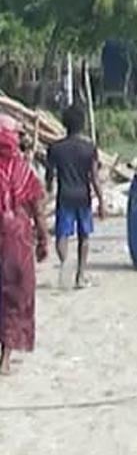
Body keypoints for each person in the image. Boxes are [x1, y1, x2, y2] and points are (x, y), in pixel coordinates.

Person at [0, 115, 48, 375]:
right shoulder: (23, 171)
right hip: (16, 240)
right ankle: (5, 357)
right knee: (15, 295)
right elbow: (38, 209)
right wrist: (43, 240)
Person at [45, 106, 103, 289]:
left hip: (65, 196)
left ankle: (64, 263)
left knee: (62, 234)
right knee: (84, 236)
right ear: (83, 124)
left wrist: (48, 190)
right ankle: (80, 276)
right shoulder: (89, 148)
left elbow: (49, 175)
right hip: (83, 197)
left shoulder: (55, 148)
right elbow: (94, 177)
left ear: (64, 124)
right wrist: (101, 201)